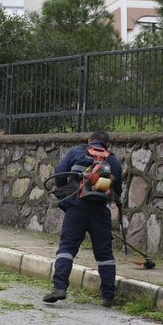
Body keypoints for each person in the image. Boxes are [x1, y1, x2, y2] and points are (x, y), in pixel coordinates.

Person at [43, 130, 122, 307]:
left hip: (76, 209)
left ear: (89, 141)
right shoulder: (112, 159)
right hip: (100, 211)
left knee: (67, 248)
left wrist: (68, 195)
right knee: (104, 254)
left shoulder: (76, 152)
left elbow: (59, 172)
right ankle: (108, 295)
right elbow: (118, 189)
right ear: (107, 145)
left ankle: (59, 288)